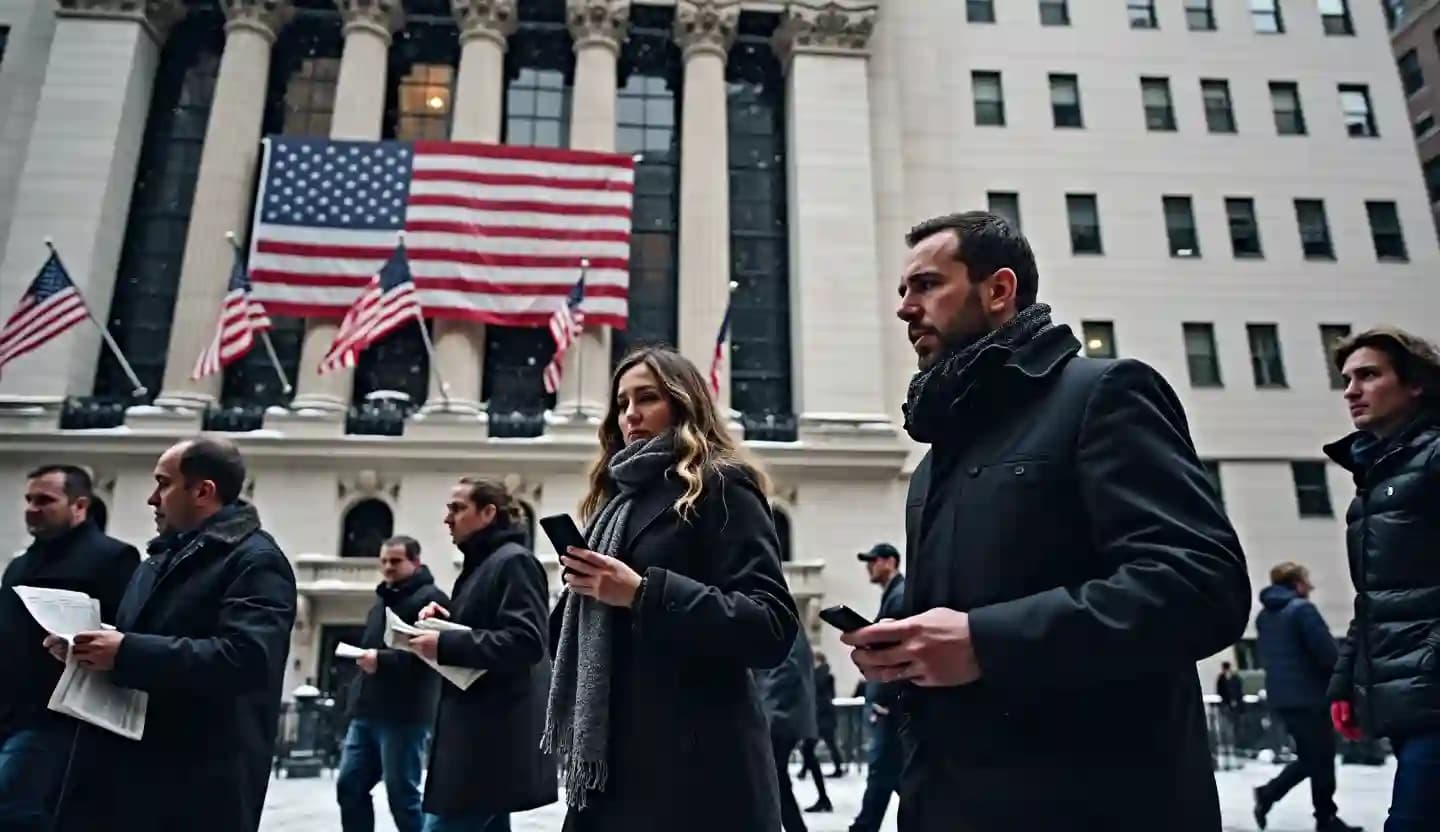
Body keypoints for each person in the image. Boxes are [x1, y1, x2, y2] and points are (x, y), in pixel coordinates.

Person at [843, 212, 1251, 830]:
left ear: (999, 290)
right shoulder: (934, 461)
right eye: (902, 291)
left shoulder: (1105, 392)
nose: (905, 308)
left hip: (1096, 802)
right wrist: (906, 654)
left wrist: (986, 642)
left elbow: (1201, 586)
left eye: (926, 285)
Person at [543, 345, 800, 831]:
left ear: (683, 404)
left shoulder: (721, 484)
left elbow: (771, 625)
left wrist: (642, 592)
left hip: (696, 776)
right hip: (609, 768)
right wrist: (580, 590)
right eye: (621, 403)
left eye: (647, 398)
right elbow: (571, 640)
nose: (630, 415)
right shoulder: (613, 506)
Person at [48, 437, 297, 832]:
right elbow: (151, 637)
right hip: (125, 768)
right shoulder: (159, 559)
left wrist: (126, 652)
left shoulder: (256, 560)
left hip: (194, 782)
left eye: (163, 483)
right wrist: (90, 648)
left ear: (203, 490)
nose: (151, 498)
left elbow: (247, 658)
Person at [1324, 327, 1440, 832]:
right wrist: (1346, 680)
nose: (1351, 390)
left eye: (1368, 375)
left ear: (1414, 384)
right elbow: (1373, 598)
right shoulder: (1376, 478)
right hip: (1407, 695)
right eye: (1347, 378)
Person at [410, 477, 555, 831]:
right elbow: (487, 628)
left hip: (486, 745)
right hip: (476, 738)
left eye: (458, 509)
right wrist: (447, 622)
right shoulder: (483, 565)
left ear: (489, 512)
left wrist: (445, 644)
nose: (448, 519)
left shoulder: (514, 562)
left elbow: (526, 641)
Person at [0, 465, 138, 830]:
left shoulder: (114, 558)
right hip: (13, 712)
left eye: (45, 500)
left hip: (64, 717)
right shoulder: (18, 566)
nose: (32, 507)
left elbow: (125, 632)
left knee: (15, 808)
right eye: (29, 499)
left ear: (80, 506)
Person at [337, 534, 450, 832]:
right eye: (384, 561)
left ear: (415, 562)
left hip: (405, 715)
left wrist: (381, 660)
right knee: (349, 785)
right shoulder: (380, 602)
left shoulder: (432, 600)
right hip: (366, 713)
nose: (388, 567)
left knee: (403, 795)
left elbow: (434, 653)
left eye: (396, 561)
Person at [1253, 563, 1360, 831]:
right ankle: (1323, 817)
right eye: (1306, 580)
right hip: (1310, 696)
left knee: (1311, 758)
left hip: (1283, 699)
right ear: (1297, 583)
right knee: (1320, 758)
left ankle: (1273, 796)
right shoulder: (1302, 610)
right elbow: (1327, 653)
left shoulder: (1265, 617)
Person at [850, 543, 906, 832]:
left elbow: (893, 651)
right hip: (890, 708)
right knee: (889, 775)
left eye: (874, 560)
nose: (869, 566)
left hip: (890, 708)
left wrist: (885, 699)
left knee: (883, 772)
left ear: (890, 562)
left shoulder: (898, 597)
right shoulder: (894, 594)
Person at [759, 631, 818, 832]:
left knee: (771, 783)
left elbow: (784, 672)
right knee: (776, 783)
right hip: (785, 717)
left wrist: (764, 714)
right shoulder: (794, 628)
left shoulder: (780, 619)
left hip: (779, 717)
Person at [796, 651, 839, 814]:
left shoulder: (820, 675)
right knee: (809, 750)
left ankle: (823, 797)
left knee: (810, 748)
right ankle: (823, 797)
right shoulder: (820, 674)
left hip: (821, 716)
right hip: (819, 715)